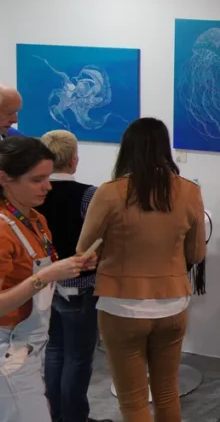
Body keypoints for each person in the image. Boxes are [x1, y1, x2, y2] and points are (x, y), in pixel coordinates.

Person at [76, 118, 206, 422]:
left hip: (121, 304)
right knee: (167, 393)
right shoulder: (190, 191)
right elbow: (196, 253)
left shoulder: (109, 192)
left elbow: (84, 250)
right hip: (173, 303)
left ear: (127, 149)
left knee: (133, 401)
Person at [0, 137, 95, 421]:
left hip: (30, 348)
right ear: (5, 179)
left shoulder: (36, 221)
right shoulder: (3, 231)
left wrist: (73, 265)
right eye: (37, 180)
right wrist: (45, 276)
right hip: (8, 350)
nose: (48, 186)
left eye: (47, 177)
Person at [36, 130, 106, 422]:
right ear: (74, 160)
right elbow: (102, 238)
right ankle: (75, 417)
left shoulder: (32, 195)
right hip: (81, 286)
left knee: (54, 350)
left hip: (45, 285)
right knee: (79, 357)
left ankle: (55, 414)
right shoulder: (89, 195)